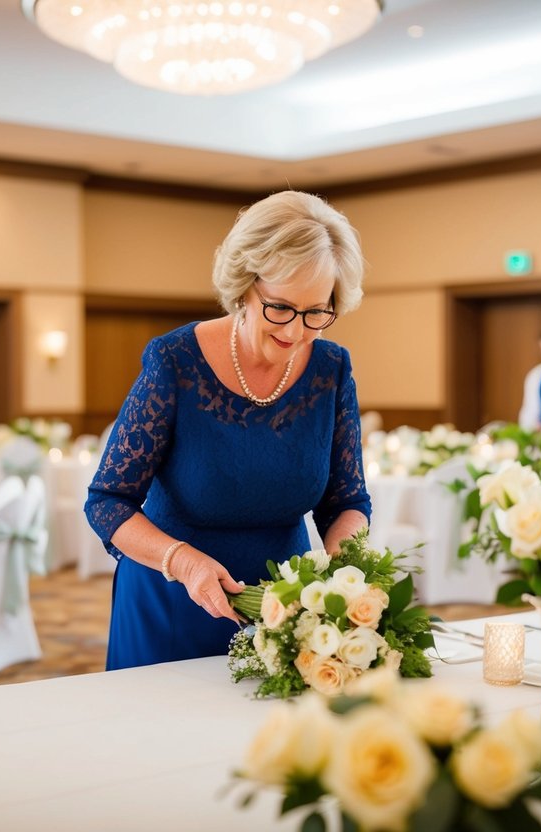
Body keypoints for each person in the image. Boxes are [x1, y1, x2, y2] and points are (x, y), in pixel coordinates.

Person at [85, 191, 372, 671]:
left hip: (286, 611)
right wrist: (183, 562)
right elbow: (107, 501)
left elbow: (347, 501)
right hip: (172, 600)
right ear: (244, 286)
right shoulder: (174, 361)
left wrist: (347, 572)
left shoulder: (331, 369)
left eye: (317, 312)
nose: (296, 332)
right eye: (280, 308)